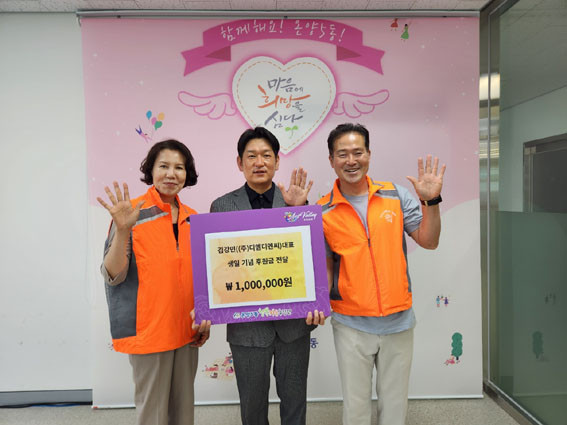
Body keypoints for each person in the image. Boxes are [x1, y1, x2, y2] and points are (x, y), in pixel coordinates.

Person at [317, 123, 445, 425]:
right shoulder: (323, 211)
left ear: (369, 154)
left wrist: (431, 202)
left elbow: (429, 241)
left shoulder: (395, 195)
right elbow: (325, 268)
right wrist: (318, 305)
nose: (351, 161)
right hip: (351, 323)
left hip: (398, 320)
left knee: (395, 406)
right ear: (331, 160)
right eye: (342, 154)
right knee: (356, 407)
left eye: (358, 152)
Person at [210, 127, 325, 425]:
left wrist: (299, 208)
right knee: (252, 408)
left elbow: (312, 258)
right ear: (240, 163)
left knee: (295, 404)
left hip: (293, 327)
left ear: (276, 161)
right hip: (247, 329)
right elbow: (218, 267)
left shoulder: (296, 201)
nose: (259, 162)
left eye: (266, 155)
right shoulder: (221, 207)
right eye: (251, 156)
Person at [97, 139, 212, 425]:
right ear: (151, 170)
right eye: (164, 166)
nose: (171, 174)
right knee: (154, 416)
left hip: (186, 331)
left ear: (187, 174)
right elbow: (113, 274)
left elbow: (202, 276)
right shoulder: (131, 214)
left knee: (183, 414)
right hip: (149, 333)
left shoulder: (193, 219)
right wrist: (122, 230)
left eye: (179, 168)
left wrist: (205, 316)